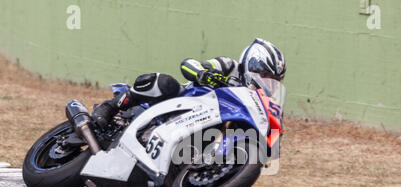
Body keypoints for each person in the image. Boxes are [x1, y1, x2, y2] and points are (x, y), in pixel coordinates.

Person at [92, 38, 286, 130]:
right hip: (182, 103)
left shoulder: (259, 100)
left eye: (272, 78)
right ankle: (108, 108)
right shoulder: (229, 66)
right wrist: (202, 74)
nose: (266, 80)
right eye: (264, 74)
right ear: (251, 64)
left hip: (204, 125)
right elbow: (189, 64)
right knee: (166, 83)